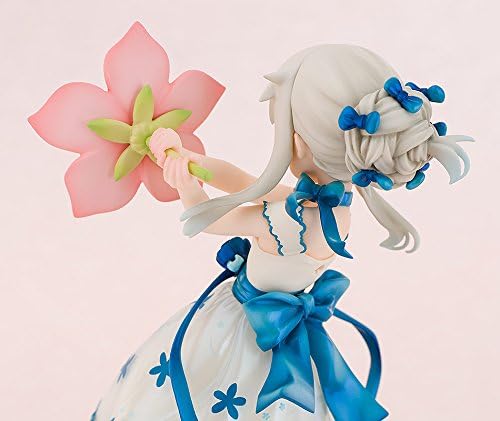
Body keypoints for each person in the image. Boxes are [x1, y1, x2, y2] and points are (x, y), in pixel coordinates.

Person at [92, 44, 472, 421]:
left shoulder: (286, 224)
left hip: (243, 330)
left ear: (297, 142)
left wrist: (184, 184)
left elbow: (208, 220)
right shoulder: (335, 207)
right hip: (283, 332)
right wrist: (191, 160)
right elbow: (251, 184)